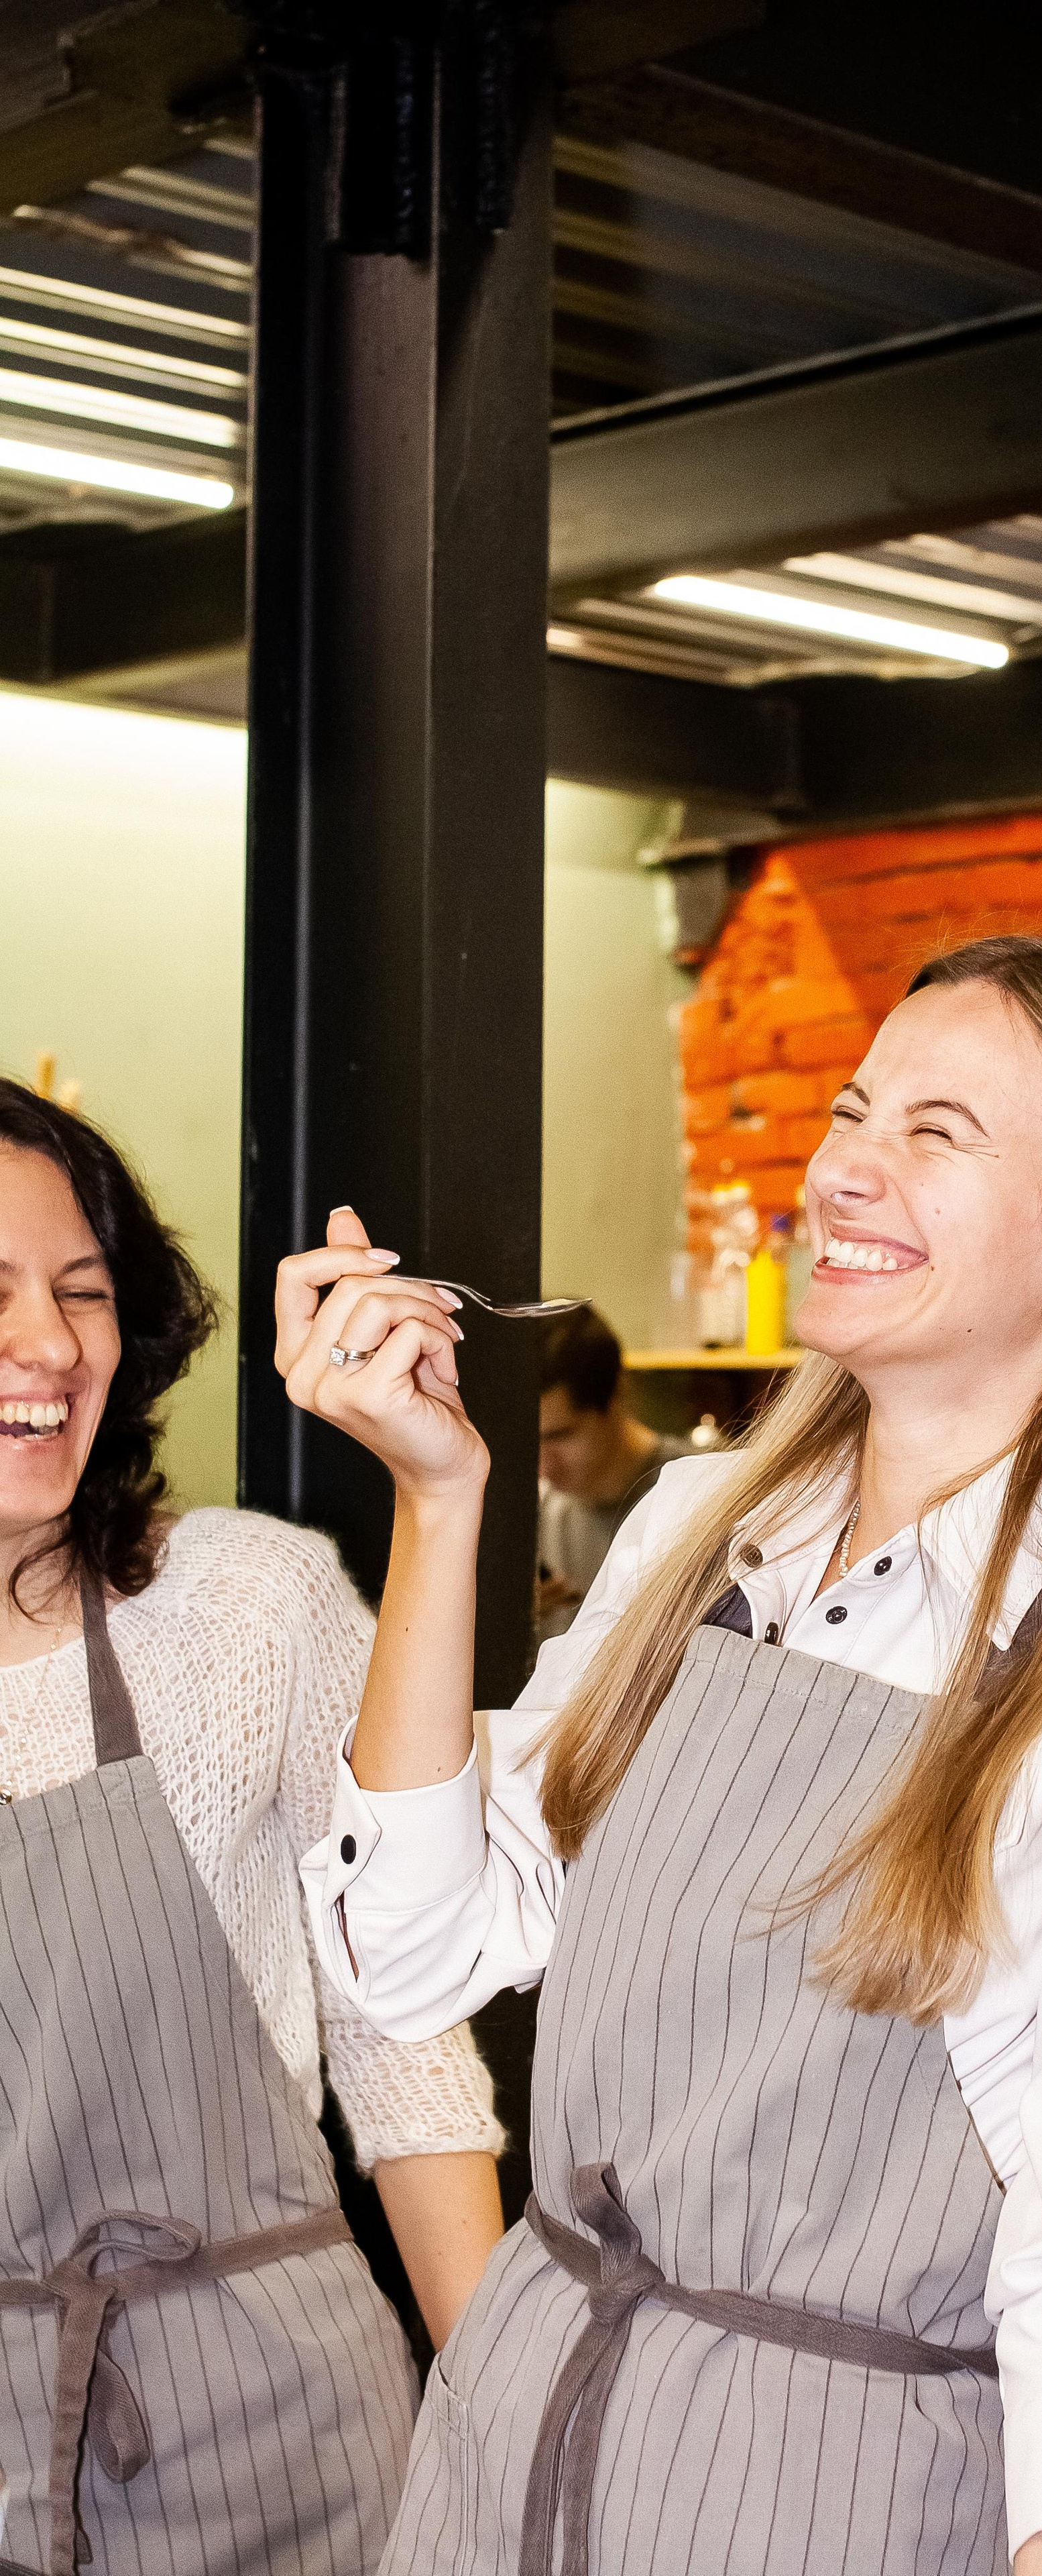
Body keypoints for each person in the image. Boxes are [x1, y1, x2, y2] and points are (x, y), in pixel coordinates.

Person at [288, 934, 1042, 2576]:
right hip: (511, 2447)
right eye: (854, 1110)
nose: (844, 1165)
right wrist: (437, 1498)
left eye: (938, 1130)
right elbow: (412, 1946)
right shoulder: (699, 1531)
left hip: (839, 2496)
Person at [0, 1079, 506, 2576]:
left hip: (288, 2443)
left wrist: (502, 2421)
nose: (49, 1346)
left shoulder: (245, 1606)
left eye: (82, 1292)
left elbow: (401, 2037)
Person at [536, 1308, 691, 1639]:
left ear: (618, 1394)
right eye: (529, 1442)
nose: (543, 1466)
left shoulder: (699, 1495)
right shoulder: (541, 1513)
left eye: (560, 1436)